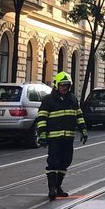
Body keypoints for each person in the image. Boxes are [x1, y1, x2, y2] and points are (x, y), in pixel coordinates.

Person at [36, 71, 87, 200]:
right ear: (56, 85)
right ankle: (52, 189)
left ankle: (58, 187)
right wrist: (42, 133)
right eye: (63, 85)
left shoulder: (72, 99)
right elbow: (41, 117)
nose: (65, 88)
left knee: (65, 162)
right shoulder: (48, 100)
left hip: (68, 138)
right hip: (54, 138)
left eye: (67, 85)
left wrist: (83, 129)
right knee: (53, 162)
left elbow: (79, 115)